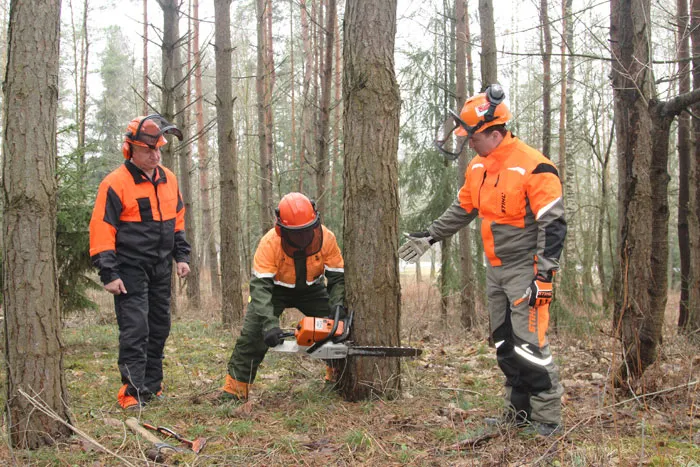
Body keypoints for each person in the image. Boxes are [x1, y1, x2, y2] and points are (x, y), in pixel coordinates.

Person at [399, 85, 567, 436]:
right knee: (505, 341)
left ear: (494, 133)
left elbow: (553, 226)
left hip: (526, 269)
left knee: (531, 344)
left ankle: (548, 418)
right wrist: (430, 235)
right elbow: (463, 208)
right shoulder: (478, 166)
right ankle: (517, 412)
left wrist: (544, 276)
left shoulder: (534, 166)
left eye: (473, 138)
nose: (468, 143)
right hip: (496, 269)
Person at [89, 114, 191, 410]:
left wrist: (181, 256)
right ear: (130, 149)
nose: (155, 156)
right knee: (136, 328)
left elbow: (178, 219)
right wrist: (108, 272)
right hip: (129, 267)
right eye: (149, 151)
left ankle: (152, 386)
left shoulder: (168, 179)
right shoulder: (115, 183)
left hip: (160, 266)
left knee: (159, 326)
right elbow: (102, 229)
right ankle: (132, 392)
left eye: (158, 149)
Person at [221, 192, 345, 401]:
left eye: (306, 232)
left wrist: (338, 307)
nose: (303, 238)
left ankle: (338, 377)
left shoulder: (327, 238)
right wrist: (269, 324)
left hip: (311, 289)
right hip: (274, 290)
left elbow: (337, 279)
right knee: (252, 334)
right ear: (282, 228)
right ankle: (235, 389)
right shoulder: (270, 243)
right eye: (296, 233)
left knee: (337, 328)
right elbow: (260, 289)